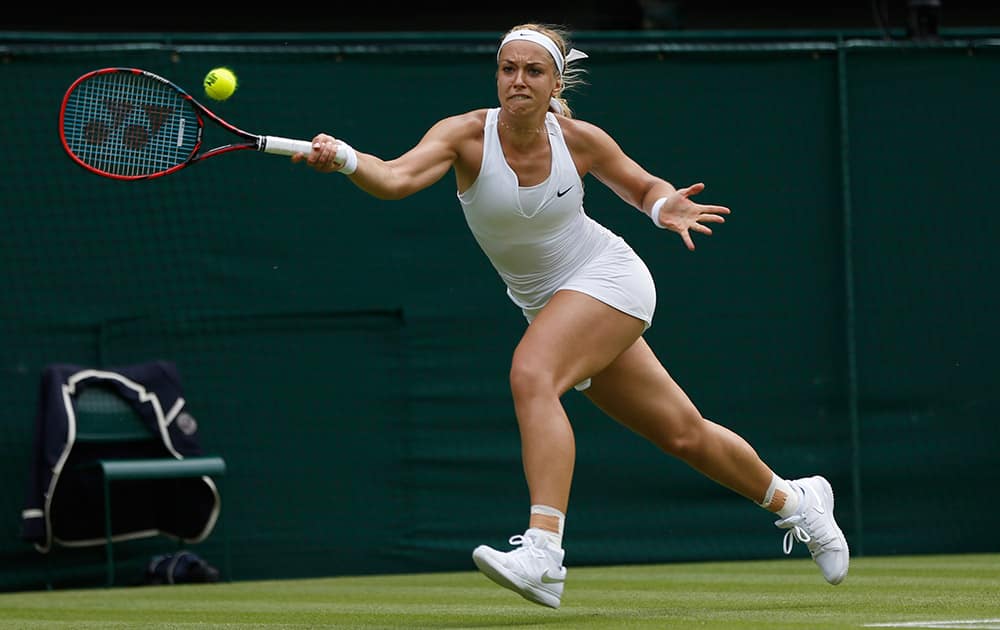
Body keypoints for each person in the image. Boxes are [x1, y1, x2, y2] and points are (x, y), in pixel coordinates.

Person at [293, 22, 849, 609]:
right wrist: (349, 159)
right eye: (508, 69)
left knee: (532, 375)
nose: (518, 81)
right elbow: (396, 178)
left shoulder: (579, 139)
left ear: (556, 81)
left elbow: (641, 186)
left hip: (609, 278)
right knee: (683, 434)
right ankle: (797, 501)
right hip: (551, 303)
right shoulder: (464, 136)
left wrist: (664, 207)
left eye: (534, 71)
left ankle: (543, 553)